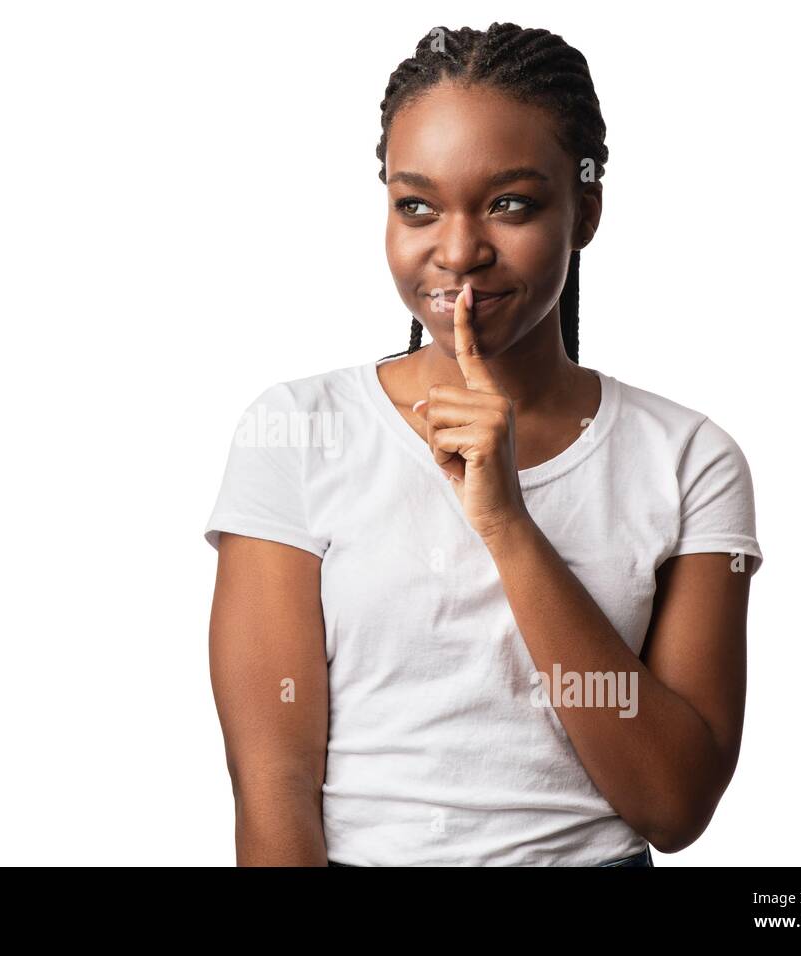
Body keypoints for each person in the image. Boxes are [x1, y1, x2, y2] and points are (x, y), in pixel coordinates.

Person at [204, 22, 762, 866]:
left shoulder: (689, 459)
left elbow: (674, 804)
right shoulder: (299, 431)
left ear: (587, 210)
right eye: (416, 206)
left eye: (510, 203)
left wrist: (506, 524)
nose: (458, 251)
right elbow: (273, 783)